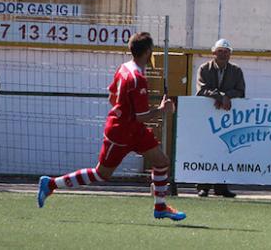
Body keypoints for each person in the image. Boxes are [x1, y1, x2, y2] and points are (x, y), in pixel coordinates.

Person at [37, 32, 185, 221]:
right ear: (148, 51)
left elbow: (111, 97)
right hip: (122, 132)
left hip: (134, 130)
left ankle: (160, 207)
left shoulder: (124, 68)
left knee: (161, 161)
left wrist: (124, 110)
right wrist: (163, 109)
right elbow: (141, 116)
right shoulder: (138, 78)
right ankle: (50, 184)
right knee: (101, 174)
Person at [196, 38, 245, 198]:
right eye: (220, 51)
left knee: (224, 150)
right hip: (207, 117)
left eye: (226, 52)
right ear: (214, 53)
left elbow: (241, 91)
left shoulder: (236, 71)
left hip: (228, 118)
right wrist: (219, 97)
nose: (223, 54)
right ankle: (203, 186)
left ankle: (221, 187)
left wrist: (226, 97)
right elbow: (201, 89)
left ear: (230, 54)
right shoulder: (204, 69)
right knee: (206, 149)